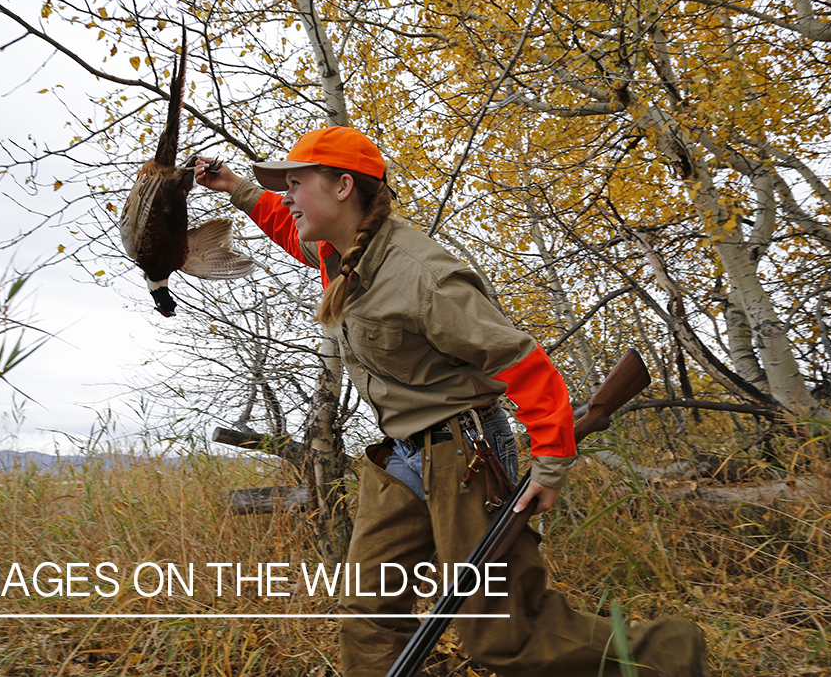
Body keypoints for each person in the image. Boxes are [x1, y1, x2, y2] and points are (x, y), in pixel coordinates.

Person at [195, 126, 709, 677]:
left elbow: (522, 363)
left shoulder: (423, 277)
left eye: (298, 183)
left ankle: (671, 656)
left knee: (505, 637)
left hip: (466, 458)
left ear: (344, 187)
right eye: (287, 186)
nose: (290, 196)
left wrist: (552, 460)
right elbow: (285, 223)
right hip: (400, 460)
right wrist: (235, 187)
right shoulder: (338, 251)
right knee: (368, 617)